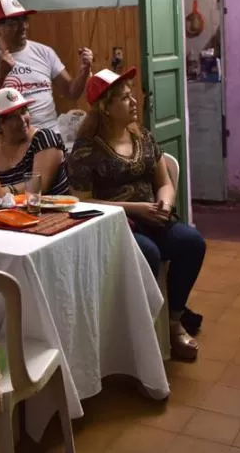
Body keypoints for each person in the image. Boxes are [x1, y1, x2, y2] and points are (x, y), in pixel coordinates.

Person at [68, 68, 205, 360]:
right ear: (105, 107)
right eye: (125, 98)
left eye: (132, 96)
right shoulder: (86, 150)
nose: (134, 102)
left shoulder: (142, 136)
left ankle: (173, 319)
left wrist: (164, 205)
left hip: (155, 218)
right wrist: (137, 209)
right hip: (116, 227)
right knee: (149, 253)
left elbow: (164, 181)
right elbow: (81, 201)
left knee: (191, 242)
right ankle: (139, 334)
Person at [0, 0, 93, 133]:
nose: (23, 27)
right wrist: (1, 73)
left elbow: (71, 92)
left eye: (24, 20)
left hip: (49, 135)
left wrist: (84, 71)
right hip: (12, 140)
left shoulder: (45, 52)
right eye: (13, 23)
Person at [0, 87, 69, 196]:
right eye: (13, 117)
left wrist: (6, 191)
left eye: (24, 111)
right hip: (7, 212)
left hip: (51, 212)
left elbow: (41, 184)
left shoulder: (44, 138)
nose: (22, 120)